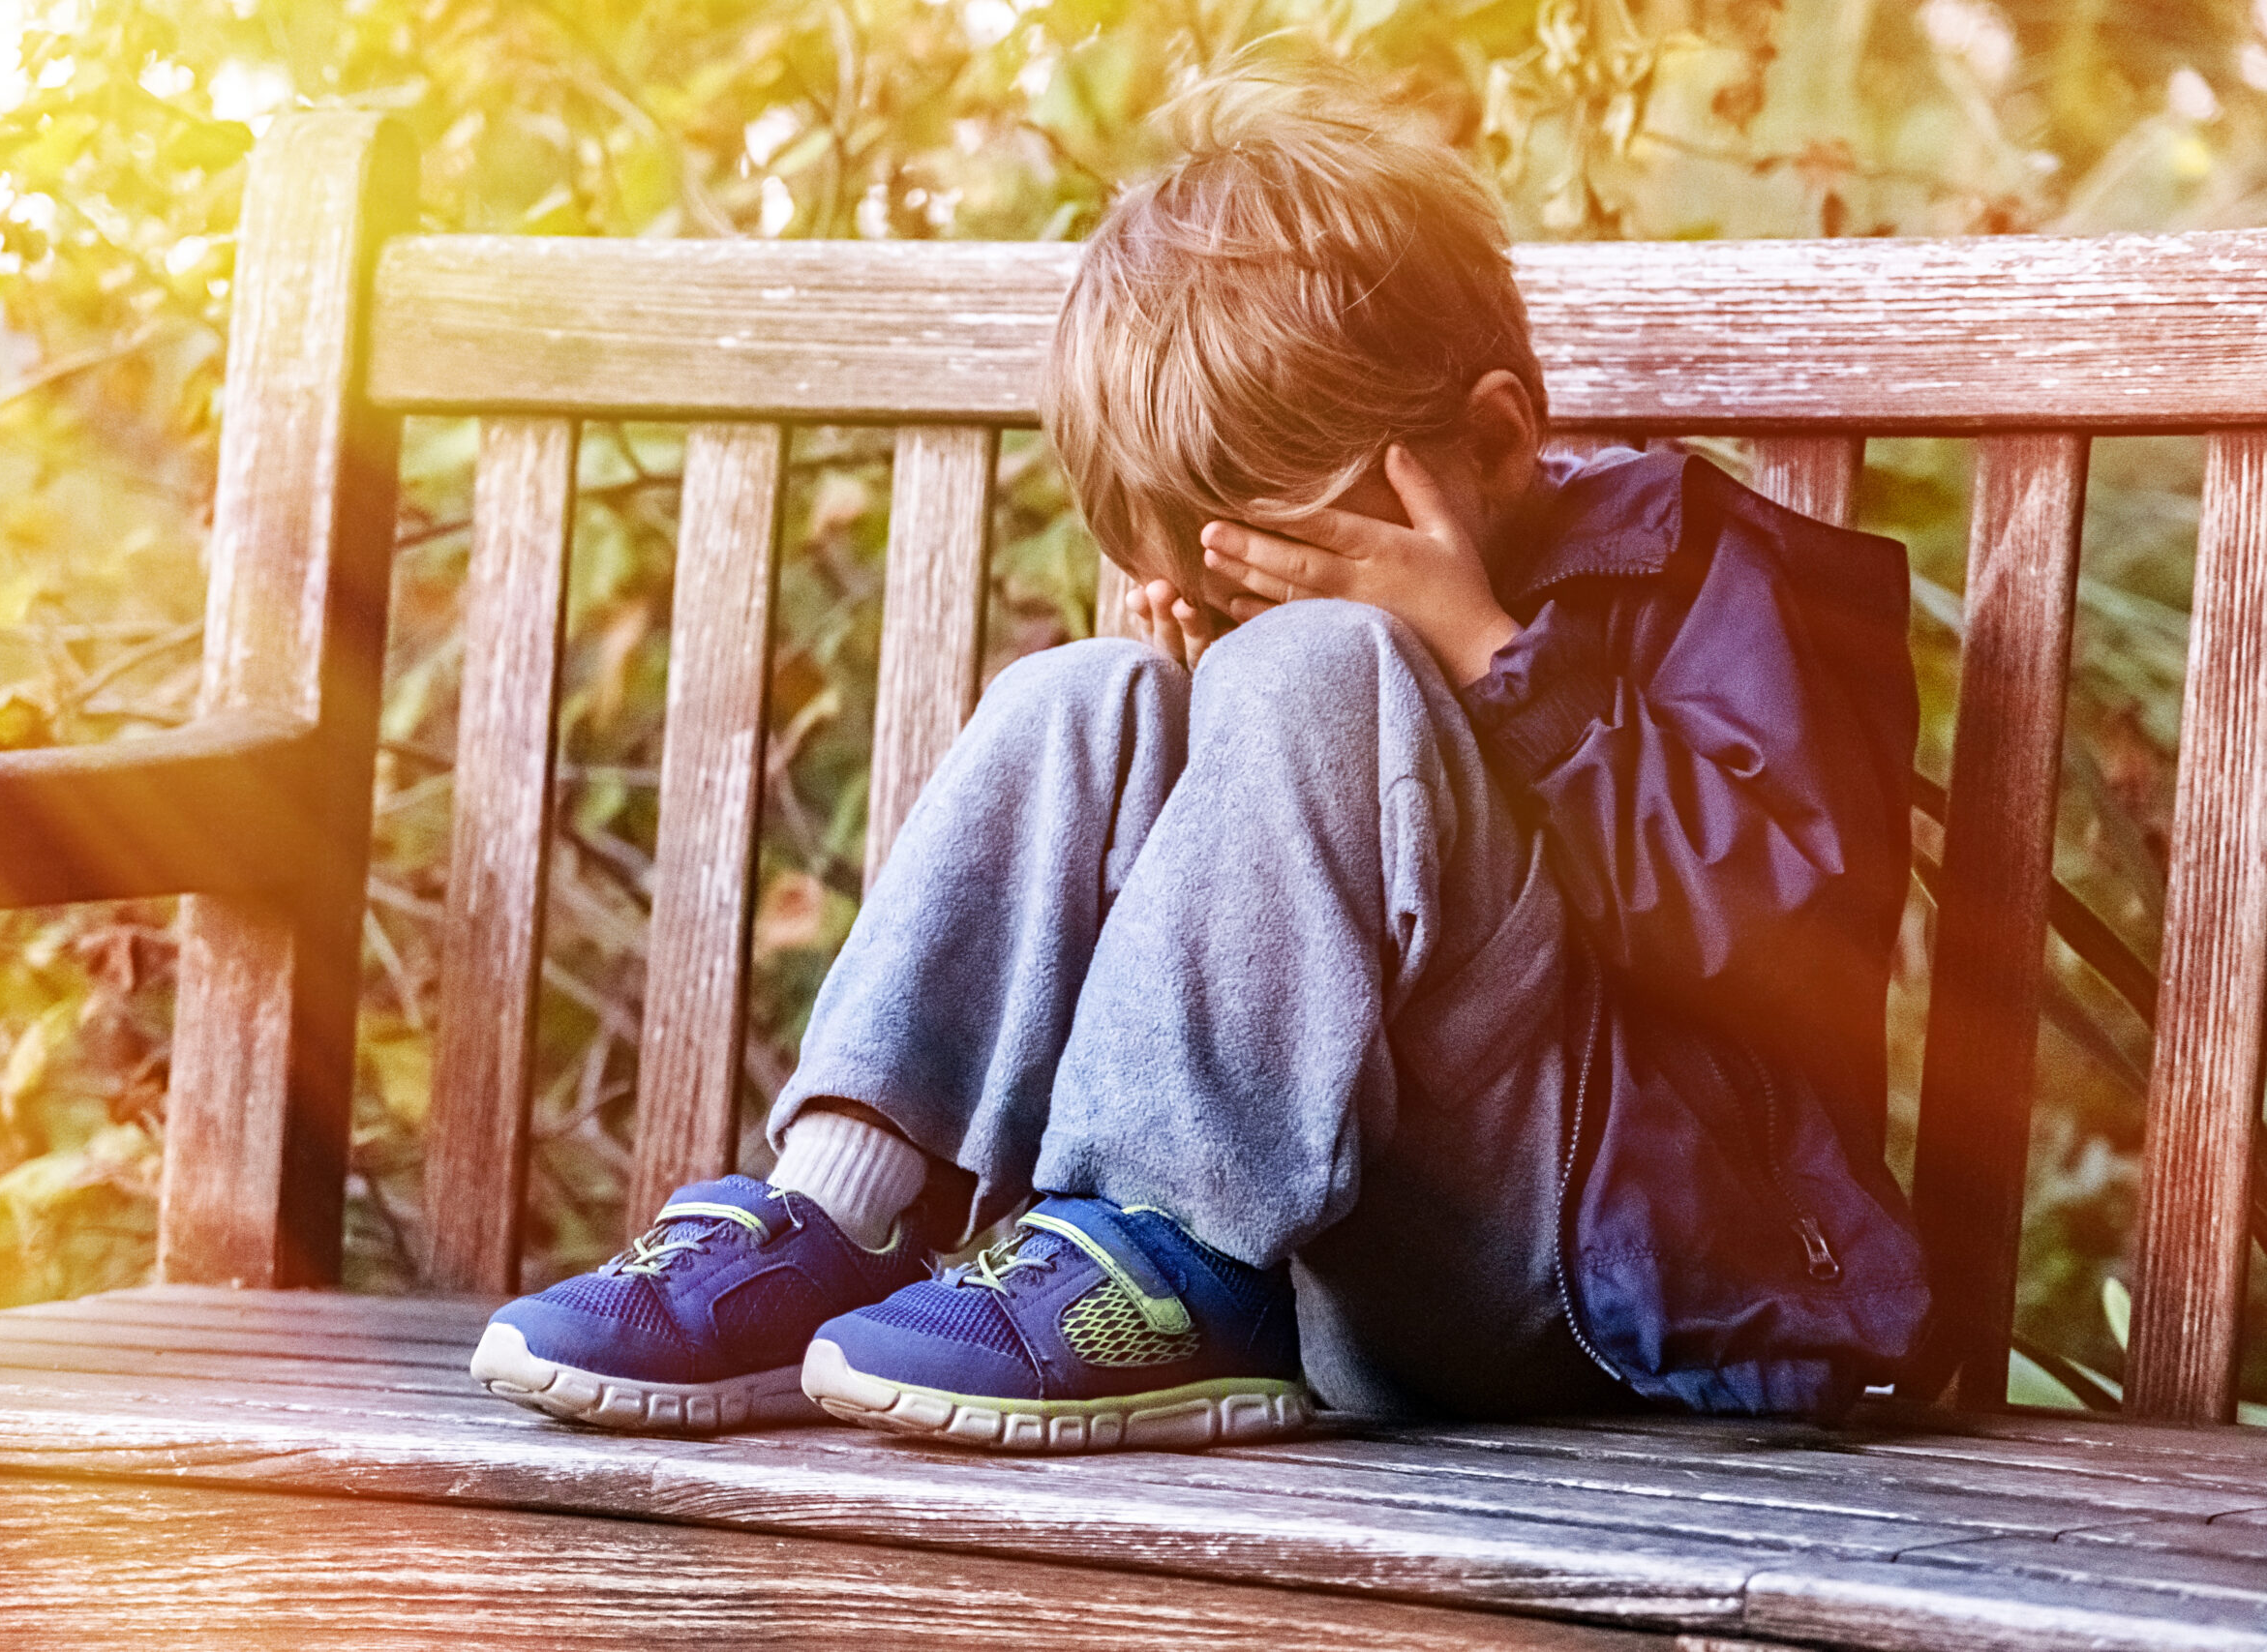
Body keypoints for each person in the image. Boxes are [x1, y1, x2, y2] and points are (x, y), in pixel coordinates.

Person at [469, 67, 1930, 1452]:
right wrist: (1208, 720)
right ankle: (845, 1213)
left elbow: (1791, 940)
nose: (1268, 615)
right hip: (1328, 1271)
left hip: (1596, 1292)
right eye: (1231, 586)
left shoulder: (1706, 569)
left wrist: (1489, 660)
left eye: (1302, 558)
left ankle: (1169, 1248)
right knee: (1087, 697)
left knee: (1323, 668)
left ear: (1494, 441)